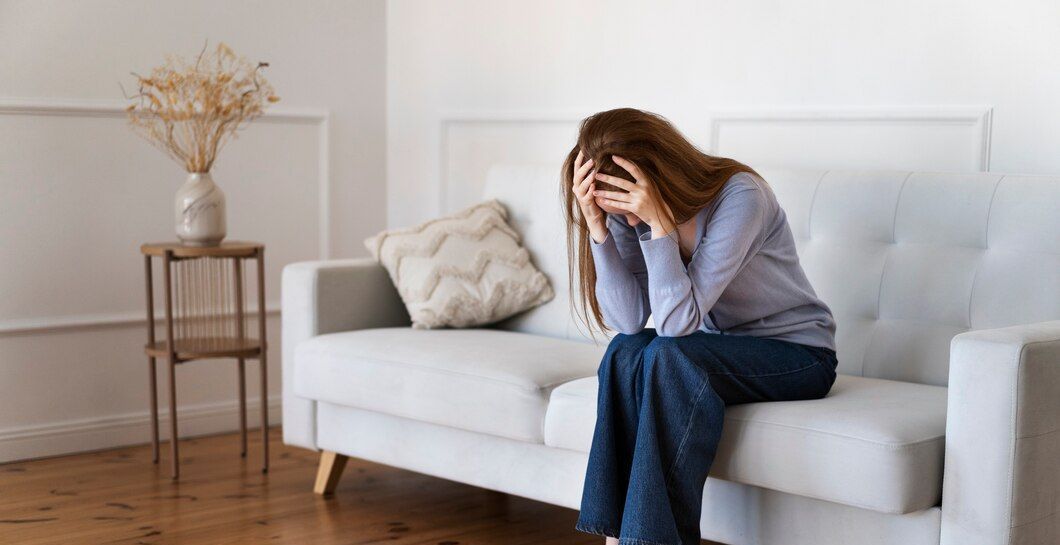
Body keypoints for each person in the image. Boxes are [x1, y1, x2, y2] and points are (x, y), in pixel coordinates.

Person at [562, 108, 838, 545]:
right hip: (712, 352)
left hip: (797, 356)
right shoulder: (622, 214)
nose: (627, 222)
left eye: (629, 208)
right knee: (626, 351)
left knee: (668, 355)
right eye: (614, 210)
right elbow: (629, 321)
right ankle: (616, 539)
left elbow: (675, 325)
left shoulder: (741, 196)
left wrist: (659, 227)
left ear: (659, 175)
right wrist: (599, 229)